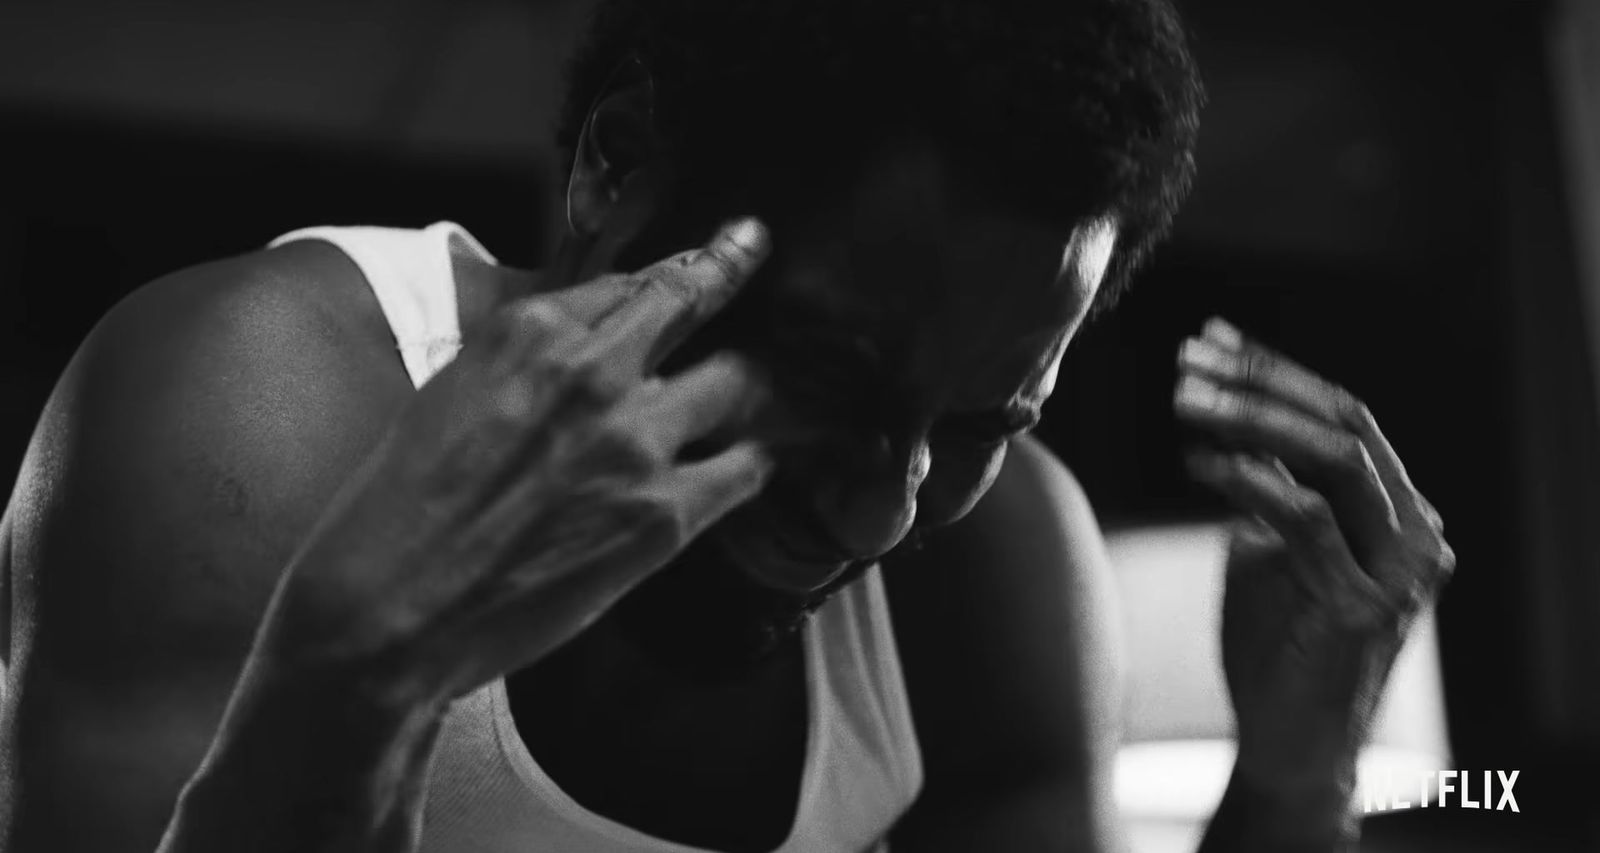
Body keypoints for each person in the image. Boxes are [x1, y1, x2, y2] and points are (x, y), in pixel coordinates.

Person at [0, 1, 1454, 851]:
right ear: (614, 167)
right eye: (827, 372)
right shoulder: (253, 414)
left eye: (981, 417)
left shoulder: (992, 561)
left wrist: (1289, 787)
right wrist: (364, 674)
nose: (883, 507)